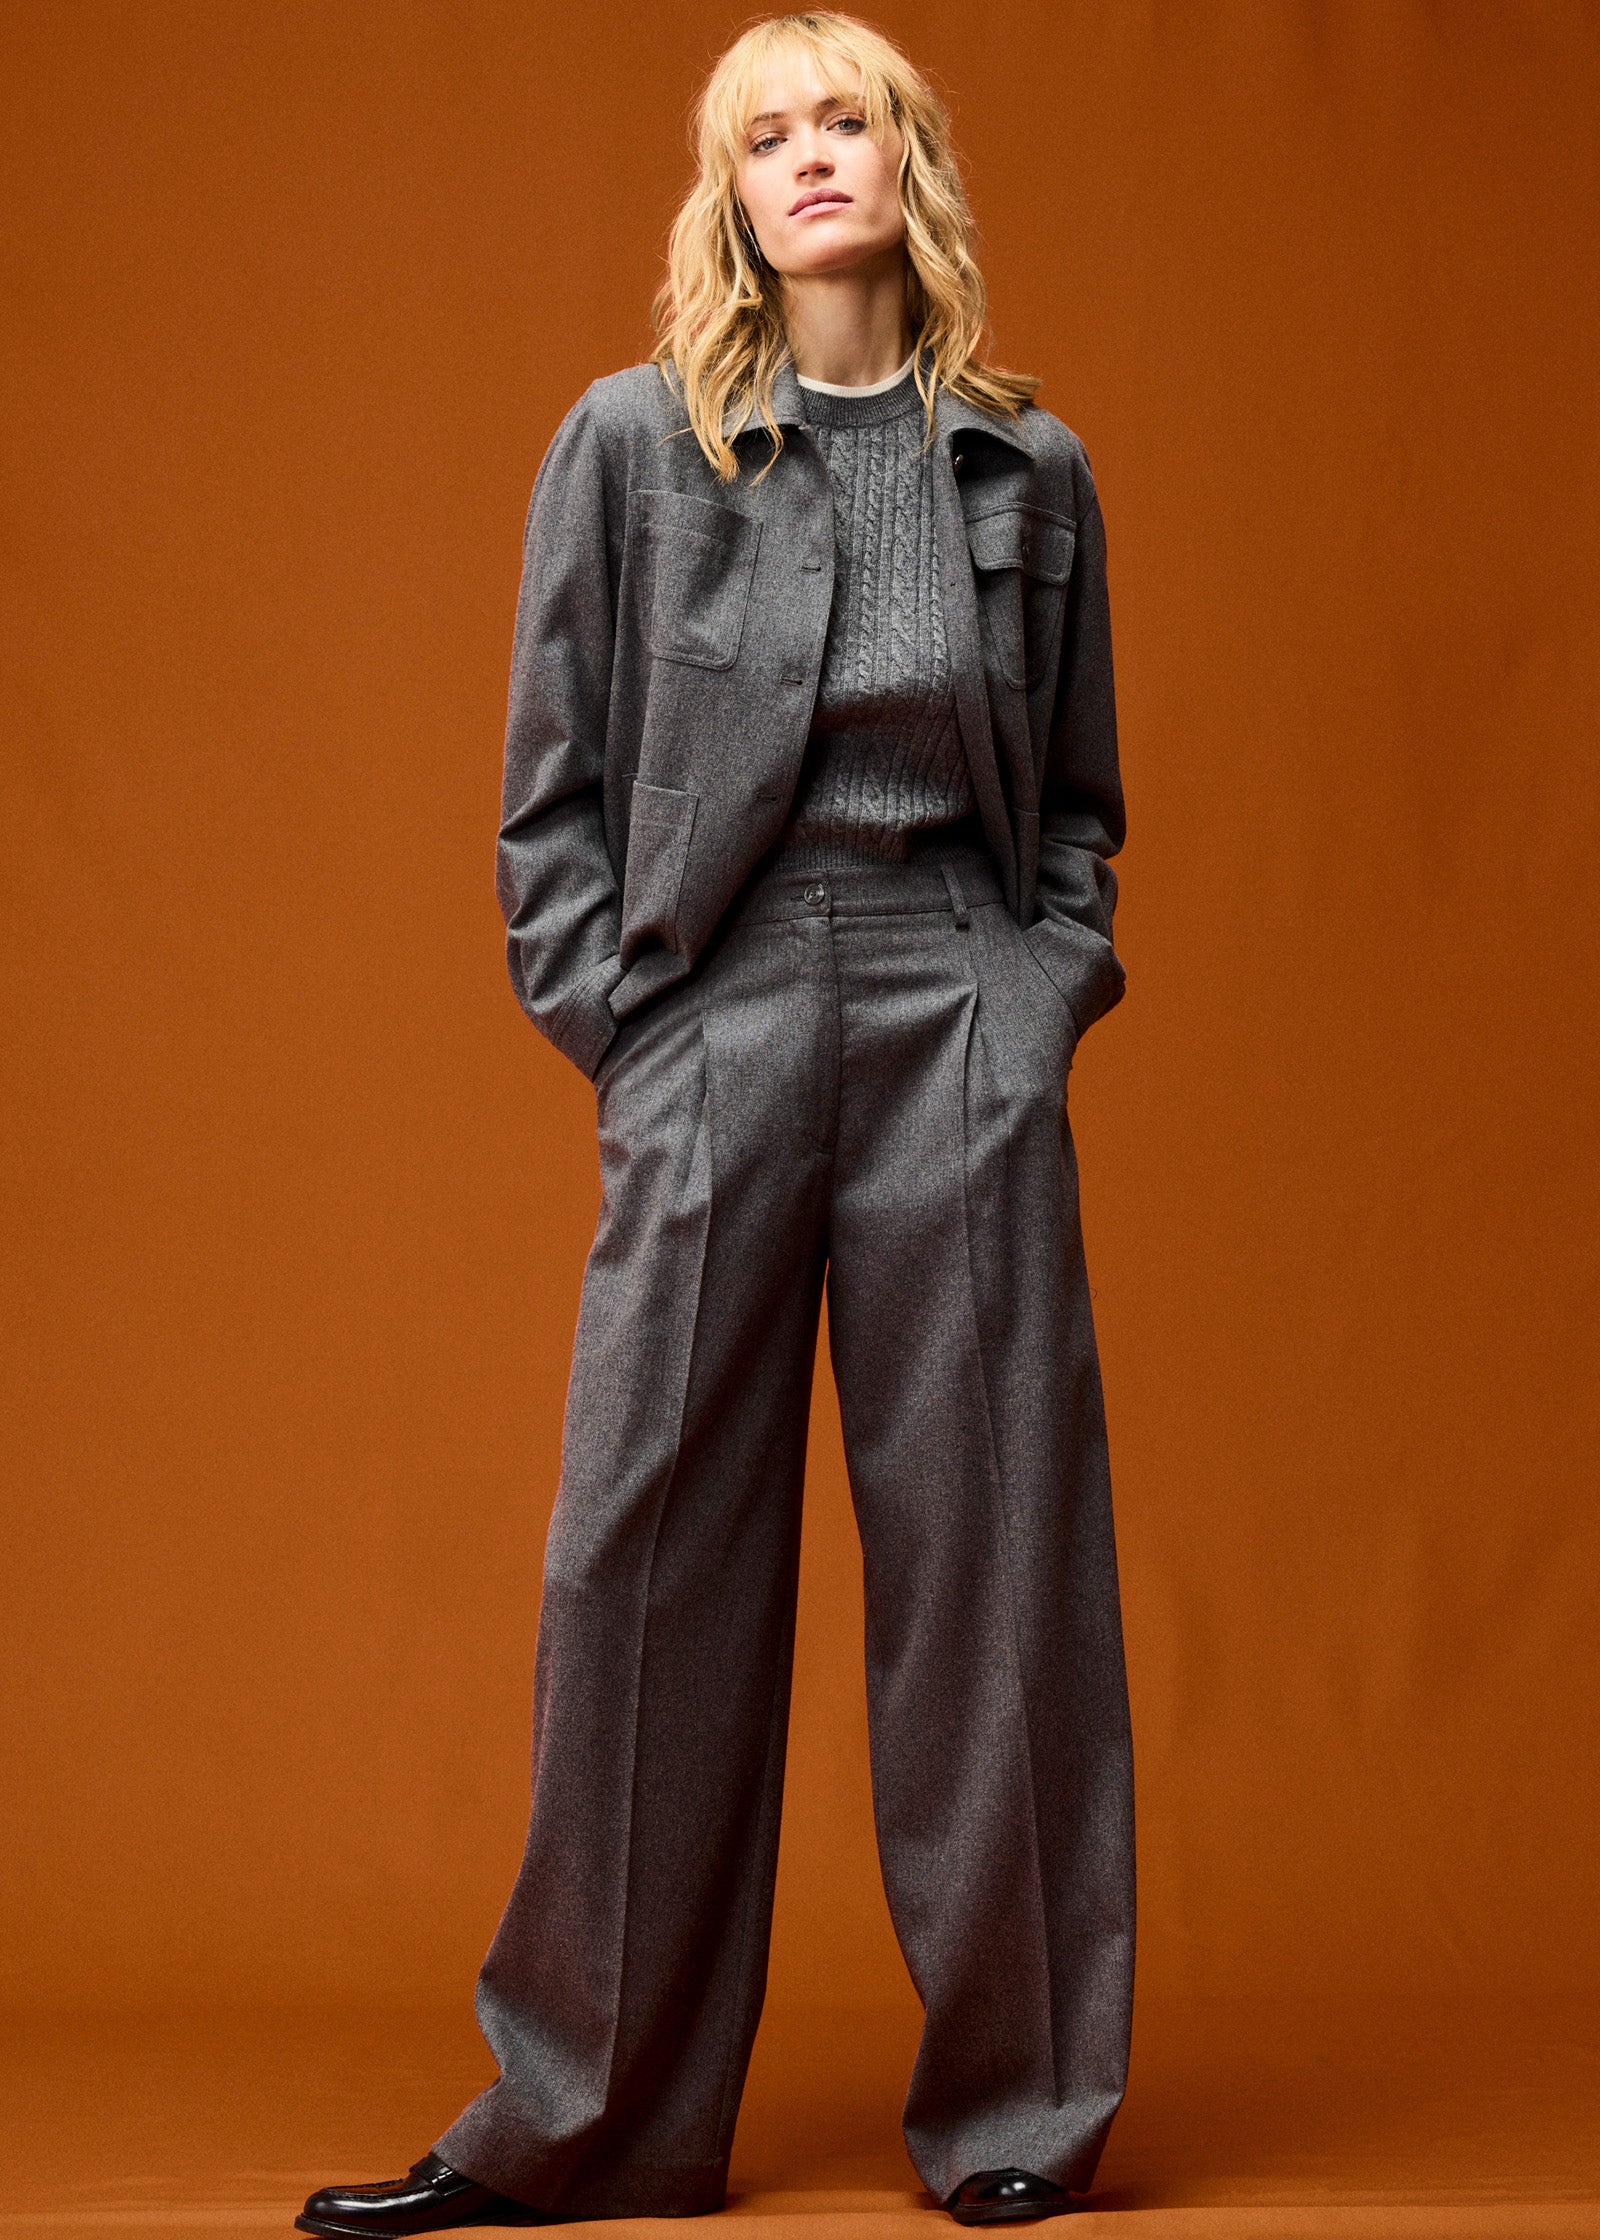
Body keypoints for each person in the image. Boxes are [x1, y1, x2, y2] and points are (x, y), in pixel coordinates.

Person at [297, 12, 1134, 2234]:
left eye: (843, 119)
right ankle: (588, 2114)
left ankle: (1021, 2110)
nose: (807, 158)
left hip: (956, 1003)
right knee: (641, 1550)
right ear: (729, 193)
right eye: (764, 136)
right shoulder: (627, 444)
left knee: (996, 1562)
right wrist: (634, 1029)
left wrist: (1036, 993)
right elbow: (548, 797)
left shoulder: (1026, 470)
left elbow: (1077, 808)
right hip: (718, 1007)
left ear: (907, 159)